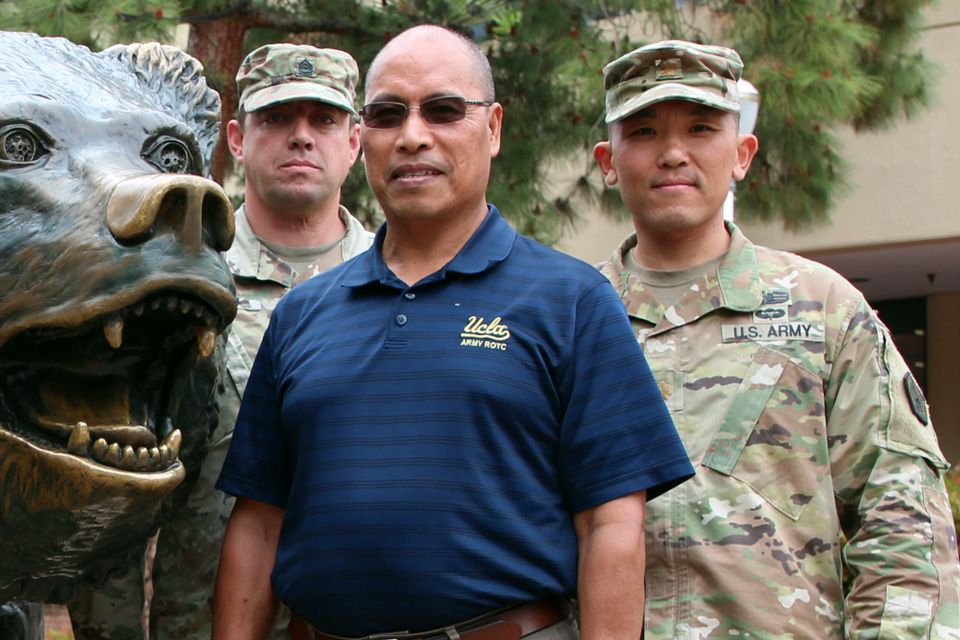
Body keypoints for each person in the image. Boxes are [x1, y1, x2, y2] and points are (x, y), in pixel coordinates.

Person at [212, 24, 695, 640]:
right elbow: (258, 526)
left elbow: (611, 526)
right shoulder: (301, 314)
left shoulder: (571, 301)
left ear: (493, 128)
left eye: (442, 110)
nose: (412, 136)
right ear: (365, 137)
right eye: (388, 115)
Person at [593, 39, 960, 638]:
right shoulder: (568, 318)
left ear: (742, 153)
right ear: (608, 161)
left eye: (700, 128)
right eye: (644, 132)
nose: (673, 153)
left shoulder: (824, 309)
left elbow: (903, 527)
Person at [70, 43, 373, 640]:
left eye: (324, 119)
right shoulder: (176, 285)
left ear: (355, 142)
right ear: (236, 139)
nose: (301, 137)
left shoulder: (396, 284)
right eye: (276, 118)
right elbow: (113, 491)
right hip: (202, 623)